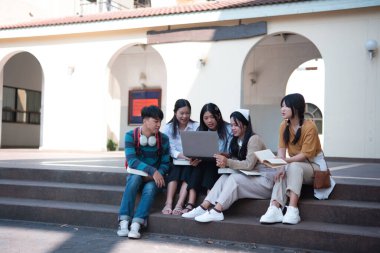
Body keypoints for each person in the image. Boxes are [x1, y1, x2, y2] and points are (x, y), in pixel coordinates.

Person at [182, 109, 275, 221]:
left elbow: (249, 164)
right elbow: (237, 160)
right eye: (231, 125)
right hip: (253, 179)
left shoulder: (254, 139)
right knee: (224, 177)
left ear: (245, 124)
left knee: (234, 178)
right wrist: (224, 157)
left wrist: (227, 161)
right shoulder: (238, 140)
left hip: (265, 182)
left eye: (236, 125)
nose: (233, 128)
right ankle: (204, 206)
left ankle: (217, 210)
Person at [259, 93, 328, 225]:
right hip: (295, 165)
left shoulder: (310, 127)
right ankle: (274, 207)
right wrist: (280, 166)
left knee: (293, 166)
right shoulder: (283, 126)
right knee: (282, 171)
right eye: (281, 106)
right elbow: (281, 151)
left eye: (286, 106)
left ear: (296, 108)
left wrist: (284, 162)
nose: (282, 109)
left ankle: (292, 209)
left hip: (314, 167)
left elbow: (305, 155)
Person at [117, 105, 170, 239]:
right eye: (156, 121)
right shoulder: (130, 136)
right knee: (134, 179)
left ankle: (136, 224)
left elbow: (165, 164)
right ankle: (123, 221)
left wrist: (157, 174)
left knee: (151, 188)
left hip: (154, 179)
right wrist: (152, 171)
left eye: (160, 121)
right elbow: (132, 161)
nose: (159, 125)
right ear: (145, 120)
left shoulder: (164, 139)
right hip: (140, 175)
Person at [181, 103, 232, 215]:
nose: (209, 121)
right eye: (206, 118)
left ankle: (206, 205)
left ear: (218, 116)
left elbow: (232, 153)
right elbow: (198, 150)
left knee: (209, 166)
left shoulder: (228, 129)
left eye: (212, 117)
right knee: (195, 166)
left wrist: (220, 154)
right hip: (205, 163)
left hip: (221, 164)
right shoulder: (201, 130)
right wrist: (194, 157)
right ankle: (190, 203)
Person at [161, 99, 199, 215]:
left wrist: (193, 157)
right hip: (176, 159)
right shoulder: (168, 128)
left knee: (188, 172)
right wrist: (182, 155)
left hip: (191, 160)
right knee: (175, 170)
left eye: (187, 113)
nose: (184, 116)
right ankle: (168, 203)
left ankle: (179, 204)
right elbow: (169, 148)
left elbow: (200, 144)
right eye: (181, 113)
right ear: (175, 113)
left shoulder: (196, 126)